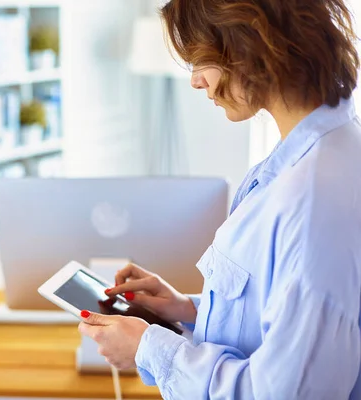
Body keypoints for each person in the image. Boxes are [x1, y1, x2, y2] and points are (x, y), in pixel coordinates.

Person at [78, 0, 361, 398]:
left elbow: (287, 393)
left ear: (247, 47)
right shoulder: (306, 160)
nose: (196, 81)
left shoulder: (314, 198)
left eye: (200, 60)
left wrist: (149, 347)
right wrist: (189, 309)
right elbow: (281, 320)